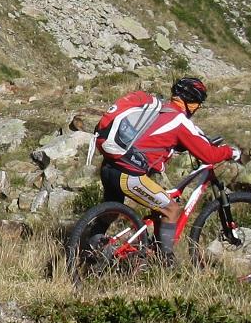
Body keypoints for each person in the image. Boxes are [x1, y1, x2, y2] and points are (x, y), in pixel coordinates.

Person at [94, 75, 240, 264]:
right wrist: (230, 152)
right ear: (190, 100)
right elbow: (209, 156)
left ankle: (90, 245)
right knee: (171, 209)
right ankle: (165, 263)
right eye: (198, 103)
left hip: (109, 167)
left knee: (112, 212)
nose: (199, 108)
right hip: (129, 176)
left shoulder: (160, 109)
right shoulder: (180, 120)